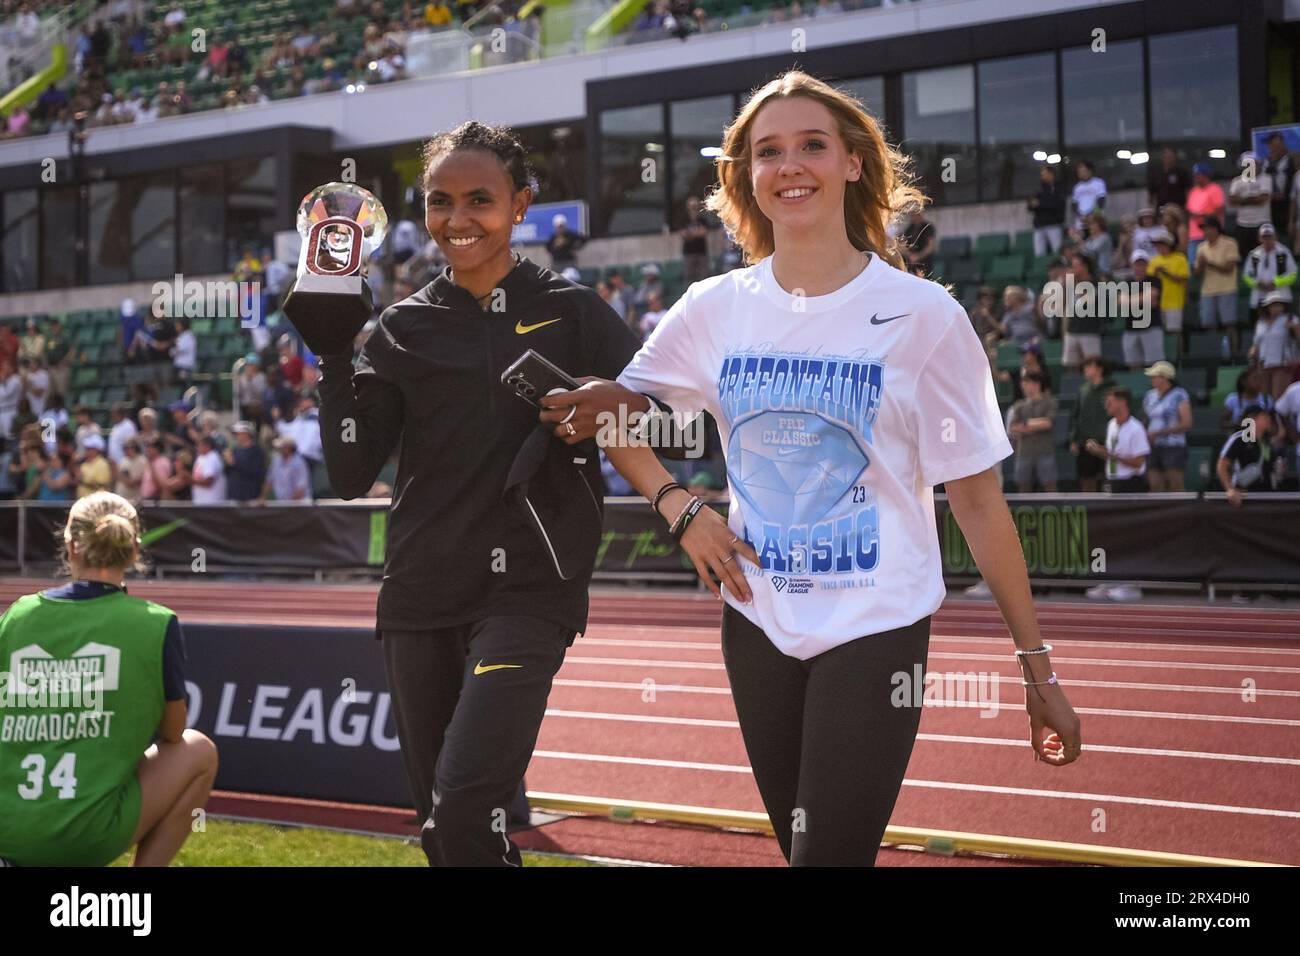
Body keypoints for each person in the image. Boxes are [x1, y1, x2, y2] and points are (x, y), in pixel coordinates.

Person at [537, 71, 1081, 866]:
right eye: (769, 152)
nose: (790, 166)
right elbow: (617, 416)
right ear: (747, 177)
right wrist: (681, 509)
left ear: (854, 163)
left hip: (876, 625)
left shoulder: (927, 318)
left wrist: (1035, 665)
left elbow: (977, 500)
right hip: (757, 619)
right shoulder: (714, 307)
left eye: (813, 146)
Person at [313, 120, 666, 867]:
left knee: (467, 805)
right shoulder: (400, 328)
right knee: (444, 829)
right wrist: (334, 353)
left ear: (522, 205)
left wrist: (616, 406)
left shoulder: (574, 311)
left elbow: (669, 418)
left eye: (481, 200)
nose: (458, 220)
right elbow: (349, 474)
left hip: (531, 591)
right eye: (441, 202)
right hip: (418, 593)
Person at [0, 492, 218, 867]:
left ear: (69, 546)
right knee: (199, 751)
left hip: (9, 829)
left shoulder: (18, 615)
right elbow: (173, 732)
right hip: (86, 839)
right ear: (134, 550)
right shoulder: (156, 623)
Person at [1218, 404, 1285, 504]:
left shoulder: (1266, 443)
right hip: (1245, 498)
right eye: (1264, 417)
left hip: (1267, 497)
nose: (1268, 420)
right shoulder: (1239, 439)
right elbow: (1222, 465)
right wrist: (1230, 489)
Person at [1086, 387, 1149, 494]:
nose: (1106, 406)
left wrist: (1111, 456)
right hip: (1111, 480)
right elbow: (1112, 451)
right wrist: (1097, 449)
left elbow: (1138, 462)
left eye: (1110, 402)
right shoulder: (1111, 425)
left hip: (1130, 483)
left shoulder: (1136, 428)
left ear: (1122, 402)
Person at [1140, 360, 1191, 492]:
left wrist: (1159, 433)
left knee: (1175, 484)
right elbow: (1145, 419)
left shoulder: (1179, 394)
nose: (1152, 379)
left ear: (1165, 377)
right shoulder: (1149, 396)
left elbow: (1187, 423)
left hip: (1174, 446)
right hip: (1153, 446)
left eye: (1155, 376)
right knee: (1155, 484)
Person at [1193, 216, 1241, 353]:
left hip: (1227, 289)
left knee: (1229, 324)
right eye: (1204, 229)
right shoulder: (1201, 248)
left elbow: (1229, 268)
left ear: (1216, 229)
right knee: (1208, 325)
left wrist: (1209, 263)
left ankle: (1233, 354)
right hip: (1207, 291)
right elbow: (1196, 273)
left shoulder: (1230, 243)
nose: (1206, 232)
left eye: (1208, 228)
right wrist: (1201, 265)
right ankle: (1213, 353)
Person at [1069, 357, 1113, 493]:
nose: (1085, 370)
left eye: (1089, 366)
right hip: (1085, 443)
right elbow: (1075, 416)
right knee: (1086, 480)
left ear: (1100, 369)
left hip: (1107, 443)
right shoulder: (1082, 390)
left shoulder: (1112, 389)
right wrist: (1073, 440)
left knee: (1108, 478)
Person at [1009, 370, 1057, 492]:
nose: (1023, 386)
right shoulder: (1019, 405)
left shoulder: (1050, 402)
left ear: (1037, 384)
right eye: (1023, 383)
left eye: (1027, 382)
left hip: (1044, 451)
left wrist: (1026, 424)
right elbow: (1014, 427)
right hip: (1024, 452)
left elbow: (1048, 423)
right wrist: (1036, 425)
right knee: (1023, 486)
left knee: (1049, 485)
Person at [1249, 290, 1299, 400]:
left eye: (1279, 304)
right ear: (1268, 307)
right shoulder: (1260, 323)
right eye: (1274, 305)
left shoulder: (1291, 319)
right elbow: (1257, 344)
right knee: (1265, 399)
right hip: (1264, 365)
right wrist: (1253, 353)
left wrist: (1294, 329)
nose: (1277, 308)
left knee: (1278, 397)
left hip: (1283, 364)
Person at [1148, 227, 1189, 355]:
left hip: (1174, 302)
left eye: (1162, 244)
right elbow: (1148, 279)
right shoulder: (1154, 260)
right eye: (1158, 245)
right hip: (1158, 303)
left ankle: (1179, 357)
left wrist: (1166, 273)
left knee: (1175, 332)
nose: (1159, 247)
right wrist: (1156, 272)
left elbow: (1182, 278)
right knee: (1160, 333)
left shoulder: (1180, 258)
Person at [1121, 250, 1163, 371]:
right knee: (1133, 364)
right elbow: (1119, 301)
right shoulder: (1127, 282)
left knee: (1154, 365)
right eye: (1137, 264)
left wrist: (1129, 300)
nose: (1139, 267)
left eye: (1142, 264)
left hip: (1152, 326)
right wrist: (1143, 298)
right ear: (1132, 265)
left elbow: (1152, 298)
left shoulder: (1155, 280)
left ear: (1147, 265)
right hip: (1130, 328)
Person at [1242, 223, 1297, 311]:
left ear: (1275, 237)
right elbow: (1246, 275)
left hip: (1280, 298)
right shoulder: (1254, 255)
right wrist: (1257, 283)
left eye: (1270, 237)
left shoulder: (1284, 253)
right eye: (1264, 237)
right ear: (1260, 238)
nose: (1267, 240)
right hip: (1259, 298)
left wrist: (1276, 283)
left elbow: (1293, 273)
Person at [1229, 151, 1272, 254]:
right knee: (1242, 254)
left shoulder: (1266, 178)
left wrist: (1242, 200)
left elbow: (1262, 200)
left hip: (1261, 223)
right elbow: (1232, 201)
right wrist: (1253, 199)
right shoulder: (1236, 181)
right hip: (1242, 224)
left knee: (1264, 253)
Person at [1184, 163, 1224, 264]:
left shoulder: (1215, 188)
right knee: (1193, 265)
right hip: (1194, 235)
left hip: (1210, 234)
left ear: (1206, 176)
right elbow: (1189, 210)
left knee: (1212, 263)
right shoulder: (1193, 191)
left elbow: (1220, 209)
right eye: (1195, 175)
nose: (1196, 178)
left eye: (1198, 175)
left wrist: (1203, 216)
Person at [1027, 164, 1066, 257]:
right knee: (1039, 254)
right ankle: (1043, 271)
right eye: (1042, 174)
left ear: (1051, 174)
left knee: (1058, 252)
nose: (1043, 176)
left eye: (1045, 174)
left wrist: (1040, 204)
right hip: (1039, 225)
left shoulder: (1058, 188)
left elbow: (1058, 204)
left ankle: (1063, 271)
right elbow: (1030, 205)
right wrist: (1032, 204)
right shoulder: (1039, 189)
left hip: (1054, 224)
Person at [222, 421, 266, 502]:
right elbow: (228, 472)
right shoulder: (235, 450)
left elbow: (255, 472)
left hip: (250, 496)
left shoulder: (257, 451)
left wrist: (234, 462)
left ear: (247, 434)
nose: (236, 436)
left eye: (238, 433)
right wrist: (227, 463)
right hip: (234, 495)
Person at [261, 435, 311, 502]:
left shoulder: (299, 463)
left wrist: (290, 504)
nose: (279, 449)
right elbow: (269, 481)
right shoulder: (276, 461)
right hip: (282, 504)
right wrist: (262, 498)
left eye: (282, 447)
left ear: (289, 448)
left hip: (300, 504)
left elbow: (301, 488)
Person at [681, 195, 714, 284]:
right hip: (688, 253)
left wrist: (691, 234)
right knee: (689, 277)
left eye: (695, 207)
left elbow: (704, 232)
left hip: (701, 252)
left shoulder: (703, 220)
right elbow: (683, 234)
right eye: (692, 207)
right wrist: (697, 233)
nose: (694, 209)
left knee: (704, 277)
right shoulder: (684, 220)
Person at [1148, 147, 1190, 212]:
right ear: (1163, 158)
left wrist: (1187, 205)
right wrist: (1151, 207)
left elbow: (1187, 190)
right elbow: (1151, 193)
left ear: (1174, 158)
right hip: (1161, 207)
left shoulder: (1181, 172)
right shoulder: (1156, 173)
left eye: (1171, 157)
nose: (1169, 159)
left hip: (1178, 208)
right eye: (1166, 157)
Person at [190, 433, 227, 503]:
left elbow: (208, 482)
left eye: (199, 445)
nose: (197, 447)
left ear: (207, 446)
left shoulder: (212, 458)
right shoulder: (201, 457)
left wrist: (189, 480)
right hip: (201, 502)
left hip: (212, 503)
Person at [899, 205, 936, 277]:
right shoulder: (909, 228)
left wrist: (918, 256)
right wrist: (910, 255)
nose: (914, 215)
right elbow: (903, 243)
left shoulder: (928, 227)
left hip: (925, 262)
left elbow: (930, 246)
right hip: (911, 262)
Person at [1070, 159, 1106, 230]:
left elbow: (1101, 200)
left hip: (1095, 217)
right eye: (1079, 172)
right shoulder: (1077, 187)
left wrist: (1091, 214)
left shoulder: (1099, 183)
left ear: (1090, 171)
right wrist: (1080, 215)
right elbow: (1074, 203)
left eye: (1083, 171)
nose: (1081, 173)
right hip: (1081, 219)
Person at [77, 434, 113, 499]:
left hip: (96, 503)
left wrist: (83, 481)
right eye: (86, 448)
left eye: (89, 449)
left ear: (96, 450)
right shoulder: (84, 464)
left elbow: (102, 485)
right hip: (83, 502)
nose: (86, 451)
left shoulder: (102, 464)